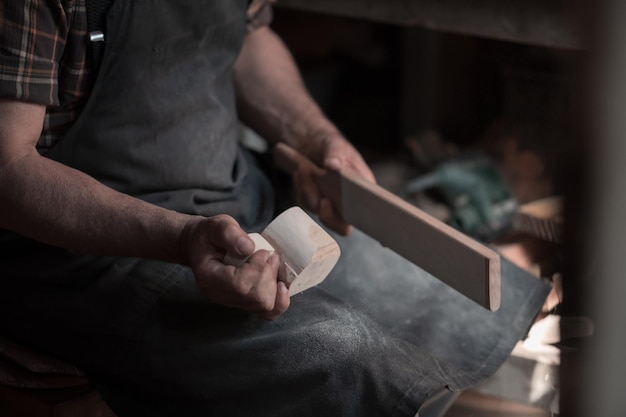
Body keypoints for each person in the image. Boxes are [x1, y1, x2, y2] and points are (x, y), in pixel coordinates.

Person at [0, 1, 454, 416]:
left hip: (231, 195)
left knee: (441, 294)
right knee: (348, 357)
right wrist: (181, 238)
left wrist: (314, 135)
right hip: (84, 251)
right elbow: (8, 169)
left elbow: (249, 37)